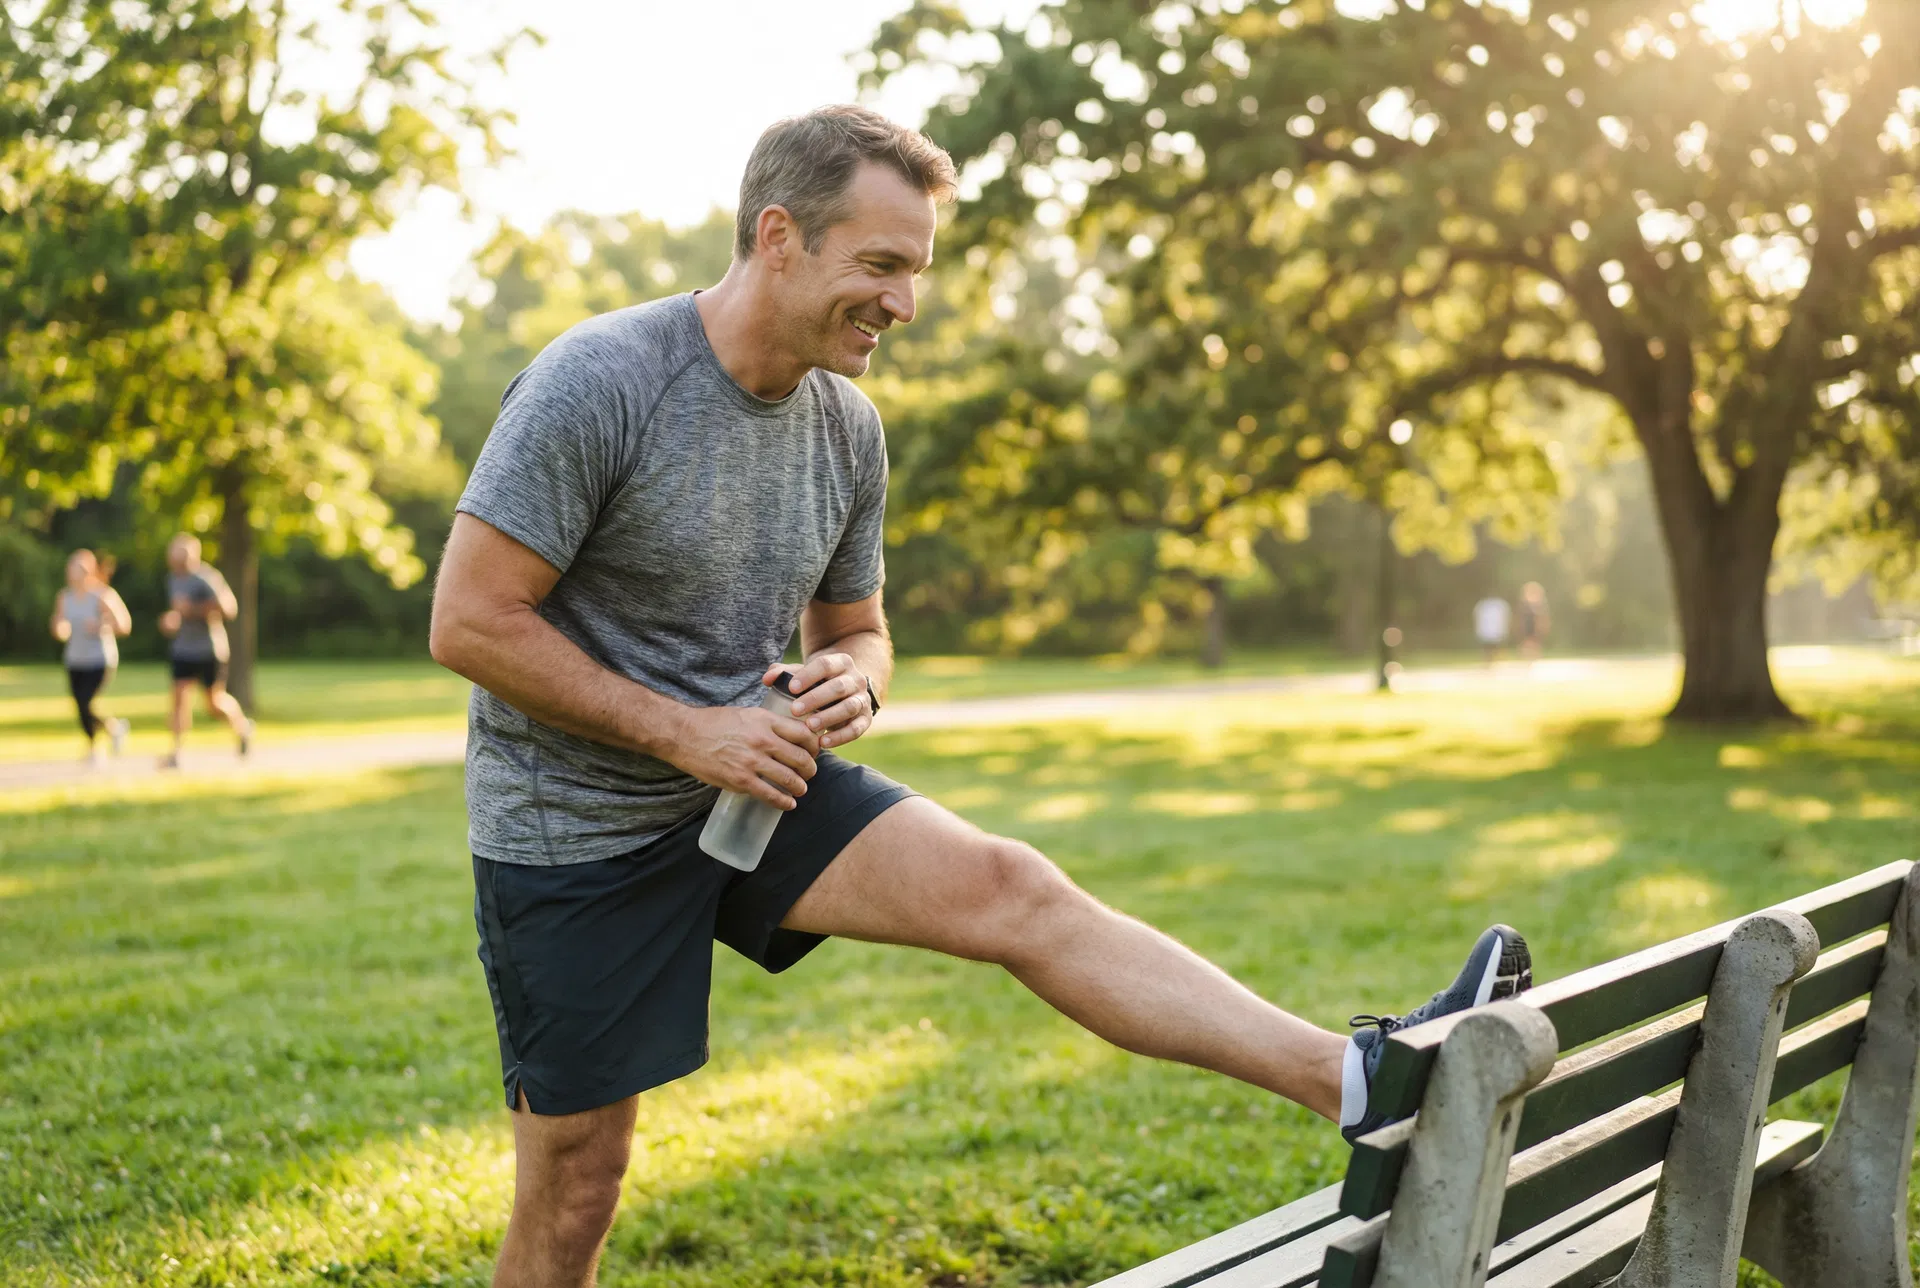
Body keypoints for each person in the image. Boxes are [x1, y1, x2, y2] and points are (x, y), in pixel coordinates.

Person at [429, 106, 1534, 1288]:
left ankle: (1361, 1081)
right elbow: (471, 620)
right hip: (578, 829)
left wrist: (848, 681)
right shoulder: (601, 380)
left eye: (918, 272)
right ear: (779, 235)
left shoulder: (847, 428)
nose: (905, 304)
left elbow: (858, 631)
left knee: (1013, 885)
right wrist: (687, 730)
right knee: (580, 1183)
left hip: (759, 790)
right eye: (883, 266)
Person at [157, 533, 253, 768]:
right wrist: (172, 620)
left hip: (209, 648)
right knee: (179, 698)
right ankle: (176, 752)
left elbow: (229, 608)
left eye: (181, 552)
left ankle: (242, 728)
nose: (176, 557)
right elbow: (179, 612)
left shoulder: (207, 578)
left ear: (193, 553)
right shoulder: (173, 579)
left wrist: (194, 610)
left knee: (214, 702)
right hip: (183, 648)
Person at [49, 549, 132, 763]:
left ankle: (98, 746)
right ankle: (107, 734)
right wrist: (61, 629)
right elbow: (58, 623)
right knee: (81, 706)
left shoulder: (103, 595)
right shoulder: (64, 596)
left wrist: (100, 626)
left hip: (99, 658)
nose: (72, 572)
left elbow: (124, 625)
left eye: (77, 568)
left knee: (86, 701)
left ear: (88, 570)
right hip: (74, 658)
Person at [1517, 581, 1551, 663]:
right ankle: (1527, 658)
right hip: (1528, 625)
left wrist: (1543, 625)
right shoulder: (1525, 606)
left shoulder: (1539, 606)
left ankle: (1535, 658)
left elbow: (1543, 617)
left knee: (1535, 641)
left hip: (1535, 625)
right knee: (1528, 641)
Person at [1474, 593, 1511, 666]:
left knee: (1497, 646)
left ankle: (1497, 662)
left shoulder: (1498, 605)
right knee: (1488, 647)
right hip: (1488, 631)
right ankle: (1488, 662)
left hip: (1496, 630)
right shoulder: (1484, 605)